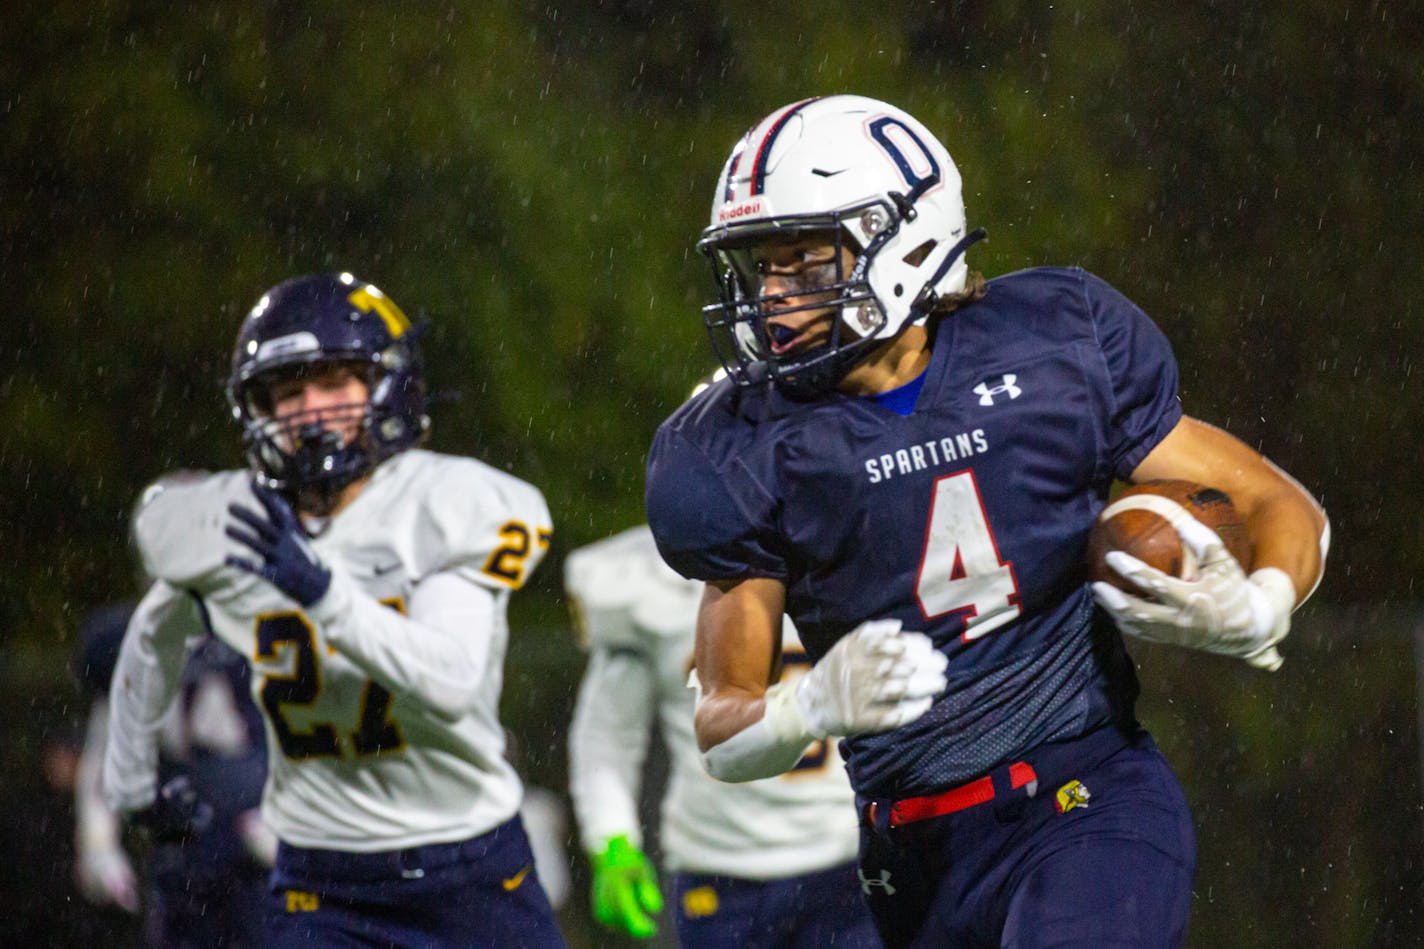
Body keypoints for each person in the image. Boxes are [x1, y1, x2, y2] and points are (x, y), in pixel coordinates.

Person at [644, 95, 1329, 949]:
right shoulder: (742, 446)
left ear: (906, 239)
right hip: (913, 853)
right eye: (761, 269)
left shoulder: (1052, 346)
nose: (773, 299)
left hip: (1086, 797)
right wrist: (804, 709)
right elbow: (722, 723)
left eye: (805, 263)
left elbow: (1274, 502)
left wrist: (1263, 603)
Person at [103, 273, 565, 948]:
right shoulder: (235, 524)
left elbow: (450, 679)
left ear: (387, 386)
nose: (310, 411)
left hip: (466, 868)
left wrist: (322, 590)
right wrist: (132, 785)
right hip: (320, 881)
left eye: (333, 383)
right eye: (288, 392)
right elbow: (151, 636)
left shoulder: (445, 505)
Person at [565, 522, 880, 948]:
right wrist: (611, 837)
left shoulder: (840, 536)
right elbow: (608, 733)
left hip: (846, 855)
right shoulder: (643, 577)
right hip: (719, 863)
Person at [75, 593, 275, 948]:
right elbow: (103, 770)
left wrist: (283, 829)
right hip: (183, 846)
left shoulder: (251, 632)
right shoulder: (128, 649)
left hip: (254, 842)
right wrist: (100, 848)